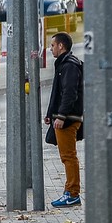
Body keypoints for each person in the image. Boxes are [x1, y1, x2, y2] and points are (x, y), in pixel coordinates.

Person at [45, 32, 84, 208]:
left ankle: (72, 193)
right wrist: (50, 113)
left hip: (68, 118)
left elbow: (69, 93)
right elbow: (57, 93)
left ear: (61, 46)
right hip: (64, 116)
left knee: (68, 156)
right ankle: (70, 191)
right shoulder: (63, 64)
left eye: (53, 45)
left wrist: (60, 116)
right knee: (67, 156)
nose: (50, 48)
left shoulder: (69, 66)